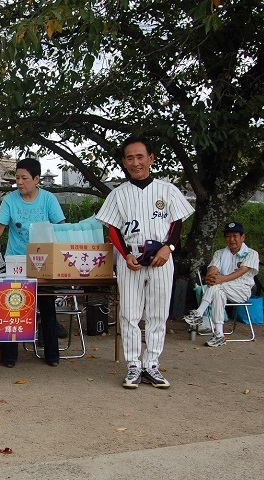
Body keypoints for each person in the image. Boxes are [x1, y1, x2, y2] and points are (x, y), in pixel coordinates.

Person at [96, 136, 194, 389]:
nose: (136, 162)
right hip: (132, 257)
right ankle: (132, 365)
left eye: (140, 156)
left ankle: (152, 364)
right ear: (124, 162)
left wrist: (169, 247)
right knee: (129, 313)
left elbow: (176, 223)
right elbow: (114, 229)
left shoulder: (167, 190)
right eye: (130, 157)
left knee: (158, 313)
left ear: (151, 158)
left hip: (161, 257)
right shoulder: (118, 194)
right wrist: (125, 253)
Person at [0, 157, 66, 368]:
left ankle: (52, 355)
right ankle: (10, 356)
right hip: (16, 259)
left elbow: (61, 226)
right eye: (17, 178)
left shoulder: (48, 199)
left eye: (24, 178)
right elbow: (0, 226)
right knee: (12, 305)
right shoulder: (10, 200)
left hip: (43, 261)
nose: (19, 182)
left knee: (47, 306)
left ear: (36, 179)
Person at [184, 222, 259, 347]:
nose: (232, 239)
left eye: (235, 236)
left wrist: (221, 279)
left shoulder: (251, 254)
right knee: (218, 291)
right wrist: (211, 277)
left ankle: (198, 313)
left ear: (242, 237)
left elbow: (242, 271)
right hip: (222, 288)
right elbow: (213, 268)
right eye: (228, 236)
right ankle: (219, 334)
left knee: (217, 286)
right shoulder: (220, 253)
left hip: (241, 290)